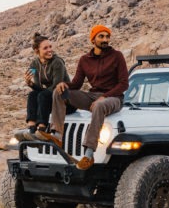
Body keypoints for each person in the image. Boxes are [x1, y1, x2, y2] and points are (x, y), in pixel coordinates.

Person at [42, 24, 128, 170]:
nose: (105, 39)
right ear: (93, 39)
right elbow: (77, 83)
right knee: (59, 91)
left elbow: (123, 84)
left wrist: (104, 97)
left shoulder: (117, 56)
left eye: (107, 36)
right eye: (101, 36)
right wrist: (64, 85)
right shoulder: (84, 60)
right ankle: (56, 135)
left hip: (114, 98)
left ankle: (88, 154)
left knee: (100, 105)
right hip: (92, 95)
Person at [19, 33, 71, 137]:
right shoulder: (34, 64)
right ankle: (31, 128)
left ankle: (42, 128)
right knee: (33, 94)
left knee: (42, 95)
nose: (49, 50)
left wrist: (41, 93)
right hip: (48, 100)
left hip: (64, 100)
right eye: (45, 48)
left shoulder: (57, 62)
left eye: (50, 47)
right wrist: (30, 83)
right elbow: (38, 88)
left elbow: (56, 86)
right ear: (37, 51)